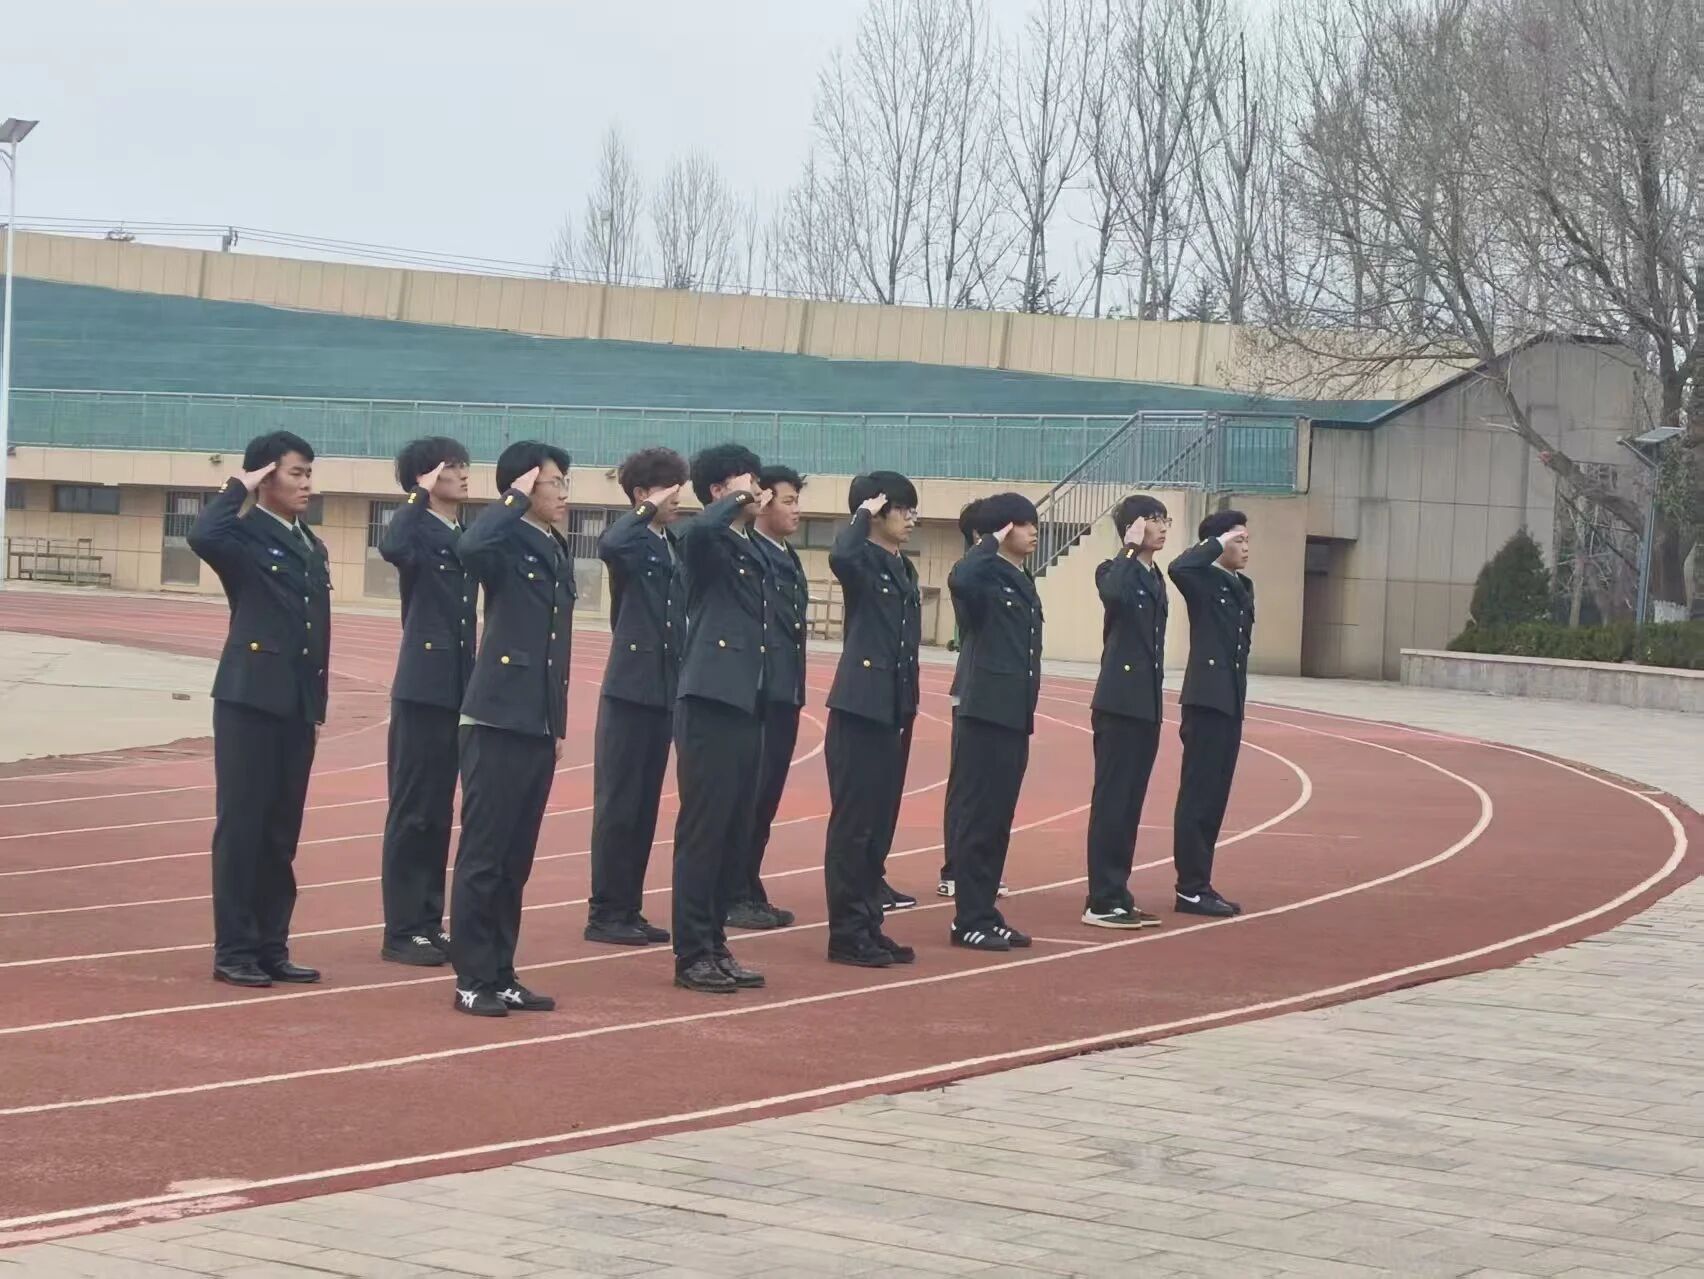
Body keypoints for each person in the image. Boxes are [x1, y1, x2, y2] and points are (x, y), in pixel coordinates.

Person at [188, 430, 330, 989]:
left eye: (309, 473)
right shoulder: (242, 535)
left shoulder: (311, 544)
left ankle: (272, 946)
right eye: (296, 473)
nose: (306, 484)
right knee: (243, 828)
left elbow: (315, 634)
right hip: (249, 700)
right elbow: (202, 534)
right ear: (266, 477)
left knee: (280, 833)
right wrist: (237, 486)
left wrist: (315, 708)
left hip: (296, 704)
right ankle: (235, 950)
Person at [448, 441, 575, 1016]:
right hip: (496, 716)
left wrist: (556, 721)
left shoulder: (553, 544)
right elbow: (469, 546)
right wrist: (512, 499)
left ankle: (501, 972)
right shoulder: (503, 538)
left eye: (564, 482)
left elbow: (554, 649)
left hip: (536, 720)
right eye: (553, 482)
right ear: (525, 486)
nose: (564, 493)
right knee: (485, 855)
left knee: (515, 860)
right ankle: (472, 978)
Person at [670, 444, 774, 994]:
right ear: (718, 491)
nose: (757, 488)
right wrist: (732, 500)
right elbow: (695, 533)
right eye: (745, 480)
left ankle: (715, 943)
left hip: (746, 700)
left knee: (732, 832)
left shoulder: (748, 544)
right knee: (704, 832)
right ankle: (692, 953)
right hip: (710, 699)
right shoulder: (707, 541)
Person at [376, 436, 477, 966]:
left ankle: (428, 921)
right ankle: (401, 930)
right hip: (422, 684)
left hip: (458, 682)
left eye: (463, 466)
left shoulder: (460, 532)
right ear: (427, 477)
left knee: (439, 811)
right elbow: (392, 547)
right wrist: (416, 495)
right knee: (413, 810)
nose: (464, 474)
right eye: (452, 467)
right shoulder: (415, 528)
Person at [584, 447, 688, 948]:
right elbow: (610, 542)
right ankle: (605, 911)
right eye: (669, 490)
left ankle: (629, 907)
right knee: (620, 805)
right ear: (643, 494)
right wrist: (646, 507)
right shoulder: (631, 539)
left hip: (665, 687)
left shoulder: (673, 543)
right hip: (629, 687)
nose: (678, 499)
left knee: (645, 807)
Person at [822, 472, 922, 967]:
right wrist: (862, 512)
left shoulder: (902, 566)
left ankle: (869, 923)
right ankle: (846, 932)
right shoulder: (859, 558)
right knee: (855, 826)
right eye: (902, 509)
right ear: (878, 511)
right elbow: (841, 556)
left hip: (892, 704)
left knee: (878, 825)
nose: (911, 519)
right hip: (859, 704)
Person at [940, 492, 1043, 951]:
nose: (1033, 531)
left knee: (999, 818)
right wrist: (988, 541)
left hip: (1013, 710)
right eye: (1022, 523)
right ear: (1003, 529)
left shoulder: (1019, 576)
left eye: (1033, 522)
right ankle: (968, 919)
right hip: (984, 710)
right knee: (979, 817)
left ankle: (985, 909)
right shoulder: (981, 573)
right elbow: (959, 578)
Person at [1082, 494, 1171, 929]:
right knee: (1113, 802)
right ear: (1133, 527)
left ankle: (1119, 892)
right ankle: (1101, 899)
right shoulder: (1114, 569)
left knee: (1131, 804)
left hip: (1146, 704)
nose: (1163, 526)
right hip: (1118, 703)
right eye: (1153, 519)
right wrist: (1128, 548)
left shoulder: (1155, 577)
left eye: (1165, 519)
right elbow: (1113, 594)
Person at [727, 465, 808, 931]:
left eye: (797, 501)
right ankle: (732, 892)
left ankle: (747, 884)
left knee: (766, 801)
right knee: (748, 798)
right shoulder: (751, 551)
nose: (796, 510)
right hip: (759, 692)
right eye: (788, 501)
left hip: (784, 690)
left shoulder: (787, 554)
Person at [1168, 508, 1254, 918]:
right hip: (1205, 700)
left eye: (1247, 540)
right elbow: (1179, 566)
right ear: (1218, 544)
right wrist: (1216, 542)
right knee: (1198, 796)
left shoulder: (1242, 585)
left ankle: (1201, 882)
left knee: (1216, 797)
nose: (1246, 548)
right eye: (1239, 540)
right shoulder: (1201, 578)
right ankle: (1190, 887)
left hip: (1231, 700)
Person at [936, 497, 1007, 906]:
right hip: (972, 688)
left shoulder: (1003, 571)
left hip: (1000, 693)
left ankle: (979, 869)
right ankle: (955, 869)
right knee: (966, 785)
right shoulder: (970, 572)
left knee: (992, 788)